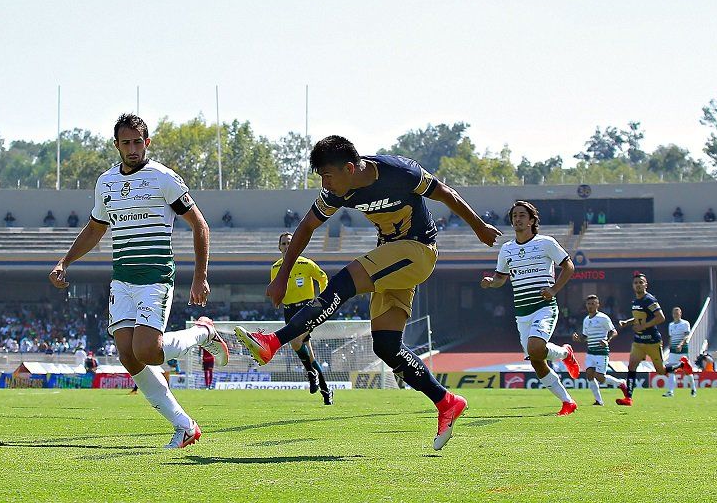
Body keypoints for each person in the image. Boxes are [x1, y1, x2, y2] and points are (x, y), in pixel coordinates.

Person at [234, 135, 502, 451]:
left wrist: (479, 226)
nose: (325, 183)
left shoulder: (400, 171)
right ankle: (446, 401)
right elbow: (306, 226)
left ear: (349, 168)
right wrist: (282, 276)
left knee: (342, 284)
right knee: (387, 347)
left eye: (327, 175)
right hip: (393, 260)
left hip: (418, 252)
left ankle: (273, 341)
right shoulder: (337, 191)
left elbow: (445, 194)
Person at [48, 113, 229, 449]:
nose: (132, 148)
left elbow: (200, 225)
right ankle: (184, 425)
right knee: (128, 356)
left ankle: (203, 333)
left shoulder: (163, 178)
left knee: (148, 351)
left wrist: (200, 276)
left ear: (147, 143)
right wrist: (65, 261)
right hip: (123, 280)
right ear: (116, 145)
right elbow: (95, 229)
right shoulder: (105, 183)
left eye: (137, 142)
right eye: (125, 142)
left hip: (155, 276)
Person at [482, 200, 580, 415]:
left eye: (522, 215)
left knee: (536, 348)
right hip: (522, 312)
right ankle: (567, 401)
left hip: (544, 307)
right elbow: (501, 278)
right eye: (514, 216)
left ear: (532, 220)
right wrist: (491, 282)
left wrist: (553, 290)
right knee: (536, 361)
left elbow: (568, 266)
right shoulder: (507, 249)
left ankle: (564, 355)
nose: (517, 219)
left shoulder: (546, 243)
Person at [269, 231, 333, 404]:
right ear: (279, 247)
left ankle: (311, 374)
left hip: (307, 308)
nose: (286, 246)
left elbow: (323, 277)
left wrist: (322, 299)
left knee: (295, 342)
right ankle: (326, 389)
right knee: (308, 353)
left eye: (289, 242)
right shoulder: (275, 268)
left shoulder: (306, 263)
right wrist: (275, 297)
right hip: (288, 310)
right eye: (283, 243)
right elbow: (276, 288)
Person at [616, 272, 667, 404]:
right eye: (636, 283)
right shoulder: (635, 301)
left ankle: (682, 365)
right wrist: (627, 322)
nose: (638, 285)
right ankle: (628, 398)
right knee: (632, 367)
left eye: (641, 282)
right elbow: (640, 318)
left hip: (652, 341)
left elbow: (660, 317)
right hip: (638, 341)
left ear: (646, 285)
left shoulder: (649, 300)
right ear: (633, 286)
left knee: (661, 371)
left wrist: (644, 325)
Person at [571, 294, 629, 406]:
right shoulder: (586, 320)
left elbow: (614, 331)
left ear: (598, 304)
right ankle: (599, 400)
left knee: (600, 378)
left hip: (601, 352)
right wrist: (578, 339)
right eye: (589, 304)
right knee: (589, 375)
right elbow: (584, 337)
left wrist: (607, 340)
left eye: (593, 303)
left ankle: (621, 383)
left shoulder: (603, 318)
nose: (591, 306)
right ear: (586, 305)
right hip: (590, 352)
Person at [664, 307, 698, 397]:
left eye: (677, 313)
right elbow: (671, 337)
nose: (676, 314)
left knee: (687, 371)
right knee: (671, 371)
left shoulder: (685, 323)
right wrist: (670, 347)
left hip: (682, 351)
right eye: (674, 313)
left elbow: (687, 336)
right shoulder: (670, 325)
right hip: (673, 352)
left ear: (680, 313)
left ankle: (693, 389)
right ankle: (670, 391)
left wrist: (681, 344)